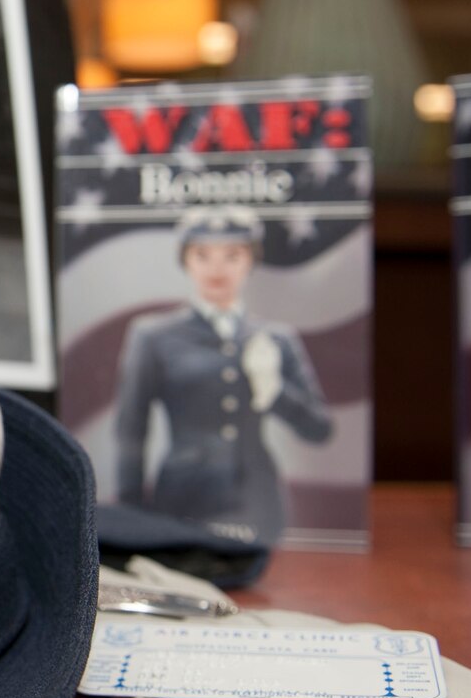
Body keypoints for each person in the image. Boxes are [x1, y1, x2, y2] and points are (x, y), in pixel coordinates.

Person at [112, 207, 333, 547]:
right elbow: (131, 430)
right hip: (183, 498)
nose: (217, 268)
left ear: (250, 261)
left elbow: (320, 429)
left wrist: (274, 392)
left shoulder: (276, 337)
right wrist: (131, 516)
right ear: (186, 261)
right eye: (202, 255)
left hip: (258, 501)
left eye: (232, 255)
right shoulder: (154, 335)